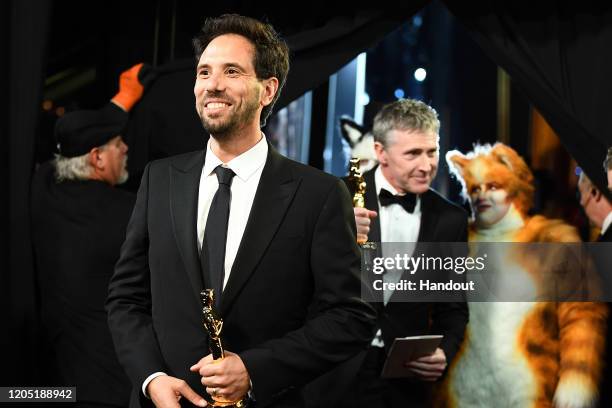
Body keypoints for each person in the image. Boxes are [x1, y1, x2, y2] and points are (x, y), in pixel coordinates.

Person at [106, 14, 375, 408]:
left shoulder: (317, 194)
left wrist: (255, 369)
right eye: (204, 73)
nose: (212, 85)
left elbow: (350, 319)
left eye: (231, 71)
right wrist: (152, 378)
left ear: (268, 90)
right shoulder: (159, 179)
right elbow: (126, 298)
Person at [440, 143, 607, 408]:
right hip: (464, 391)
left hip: (529, 390)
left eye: (493, 186)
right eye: (475, 188)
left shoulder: (551, 239)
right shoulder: (457, 242)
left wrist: (577, 377)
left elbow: (582, 314)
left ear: (513, 187)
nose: (482, 195)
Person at [31, 63, 150, 407]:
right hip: (109, 387)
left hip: (54, 386)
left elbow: (67, 138)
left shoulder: (44, 190)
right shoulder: (127, 213)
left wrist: (123, 98)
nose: (126, 148)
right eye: (117, 143)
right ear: (97, 157)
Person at [341, 98, 469, 408]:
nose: (426, 166)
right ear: (380, 152)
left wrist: (444, 353)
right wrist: (340, 234)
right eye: (413, 153)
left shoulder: (451, 219)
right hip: (334, 373)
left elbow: (453, 308)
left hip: (406, 384)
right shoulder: (336, 198)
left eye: (432, 152)